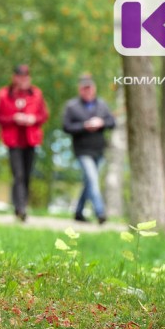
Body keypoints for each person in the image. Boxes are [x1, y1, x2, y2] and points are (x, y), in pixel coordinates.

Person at [0, 64, 49, 222]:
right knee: (18, 174)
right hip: (13, 140)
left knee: (27, 175)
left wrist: (33, 119)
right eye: (20, 76)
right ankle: (20, 208)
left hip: (31, 139)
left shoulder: (36, 94)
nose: (23, 79)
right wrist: (14, 118)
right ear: (14, 77)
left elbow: (43, 115)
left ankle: (21, 205)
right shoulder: (4, 94)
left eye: (26, 76)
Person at [62, 73, 116, 224]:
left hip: (99, 149)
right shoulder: (72, 106)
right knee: (93, 179)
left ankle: (79, 212)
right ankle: (100, 212)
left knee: (89, 182)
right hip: (82, 150)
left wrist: (101, 123)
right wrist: (85, 126)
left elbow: (111, 122)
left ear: (94, 89)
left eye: (89, 88)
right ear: (80, 90)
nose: (87, 91)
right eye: (84, 89)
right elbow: (66, 127)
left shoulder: (102, 105)